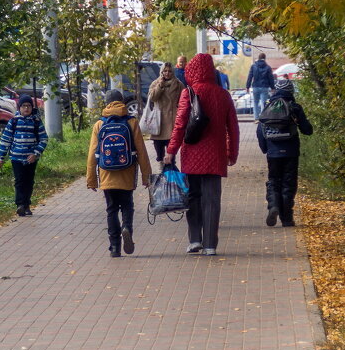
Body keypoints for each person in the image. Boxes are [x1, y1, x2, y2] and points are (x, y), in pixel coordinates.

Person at [163, 53, 239, 256]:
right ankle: (210, 245)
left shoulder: (189, 93)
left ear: (192, 71)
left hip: (192, 154)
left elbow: (180, 125)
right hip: (216, 155)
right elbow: (233, 127)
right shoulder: (224, 95)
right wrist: (232, 153)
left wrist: (171, 151)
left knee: (193, 197)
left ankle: (194, 239)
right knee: (212, 200)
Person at [86, 89, 152, 257]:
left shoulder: (99, 124)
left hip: (106, 174)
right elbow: (142, 152)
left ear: (107, 103)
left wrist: (91, 180)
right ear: (122, 102)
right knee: (127, 205)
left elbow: (92, 154)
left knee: (111, 209)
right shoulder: (131, 122)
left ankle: (114, 247)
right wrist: (147, 176)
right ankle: (127, 228)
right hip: (127, 172)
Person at [257, 78, 313, 227]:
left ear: (276, 90)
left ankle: (273, 205)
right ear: (291, 91)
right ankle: (287, 219)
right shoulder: (295, 107)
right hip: (291, 152)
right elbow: (307, 130)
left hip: (273, 153)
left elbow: (260, 130)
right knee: (289, 183)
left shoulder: (268, 107)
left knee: (274, 180)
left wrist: (265, 148)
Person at [0, 95, 48, 217]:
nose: (26, 108)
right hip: (16, 158)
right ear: (19, 107)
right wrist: (1, 157)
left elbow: (44, 139)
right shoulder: (13, 122)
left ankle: (27, 205)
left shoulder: (36, 122)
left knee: (29, 181)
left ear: (32, 107)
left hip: (31, 159)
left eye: (29, 106)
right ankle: (20, 204)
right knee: (19, 181)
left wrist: (35, 154)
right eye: (24, 106)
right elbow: (6, 140)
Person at [146, 62, 185, 163]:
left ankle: (170, 175)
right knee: (160, 156)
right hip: (158, 122)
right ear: (161, 72)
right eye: (165, 71)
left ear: (173, 72)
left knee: (171, 155)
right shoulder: (155, 83)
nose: (167, 73)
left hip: (172, 122)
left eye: (170, 71)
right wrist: (160, 85)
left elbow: (184, 100)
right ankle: (161, 174)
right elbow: (153, 97)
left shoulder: (178, 84)